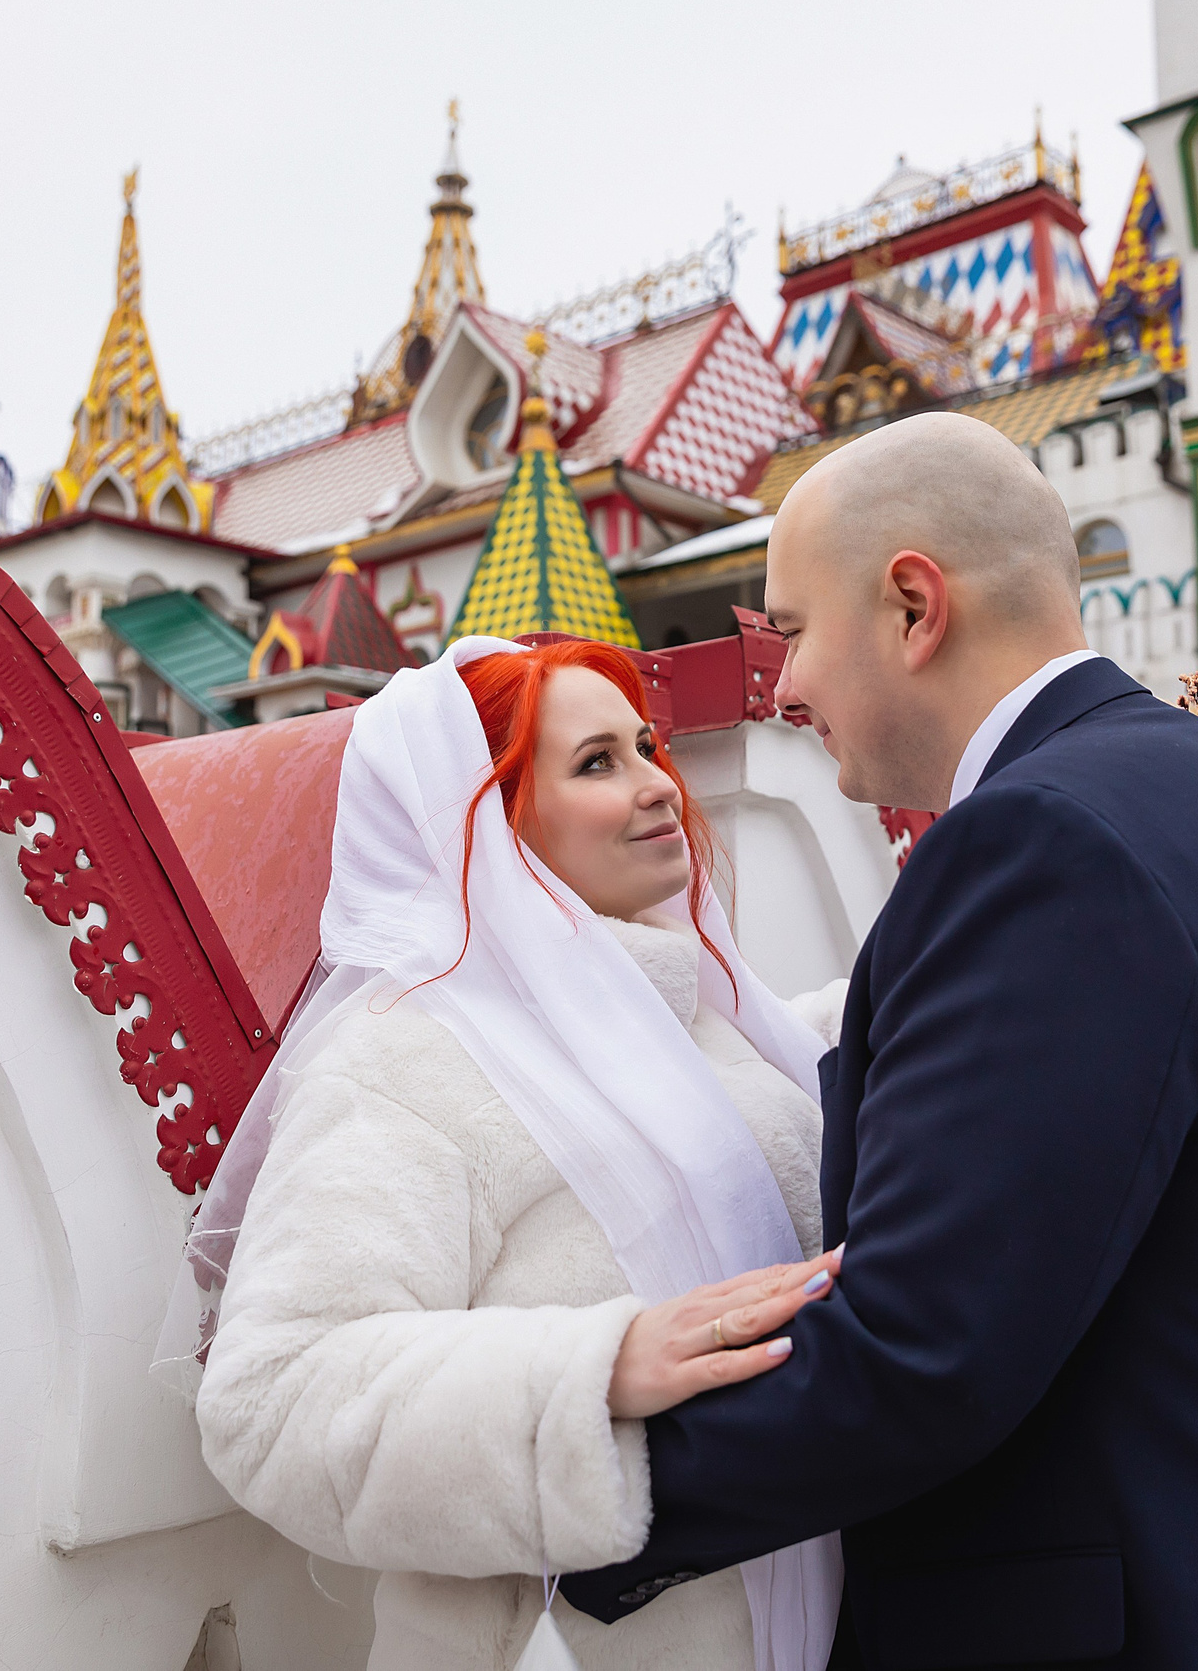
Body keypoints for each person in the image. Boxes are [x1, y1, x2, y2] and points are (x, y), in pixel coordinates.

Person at [561, 414, 1198, 1668]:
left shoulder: (1050, 839)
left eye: (794, 629)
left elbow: (927, 1346)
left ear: (913, 607)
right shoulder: (1160, 781)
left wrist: (558, 1496)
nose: (787, 684)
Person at [179, 636, 847, 1671]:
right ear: (489, 822)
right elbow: (271, 1400)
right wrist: (592, 1372)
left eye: (646, 746)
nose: (657, 786)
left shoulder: (718, 1031)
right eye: (596, 762)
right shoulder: (407, 1059)